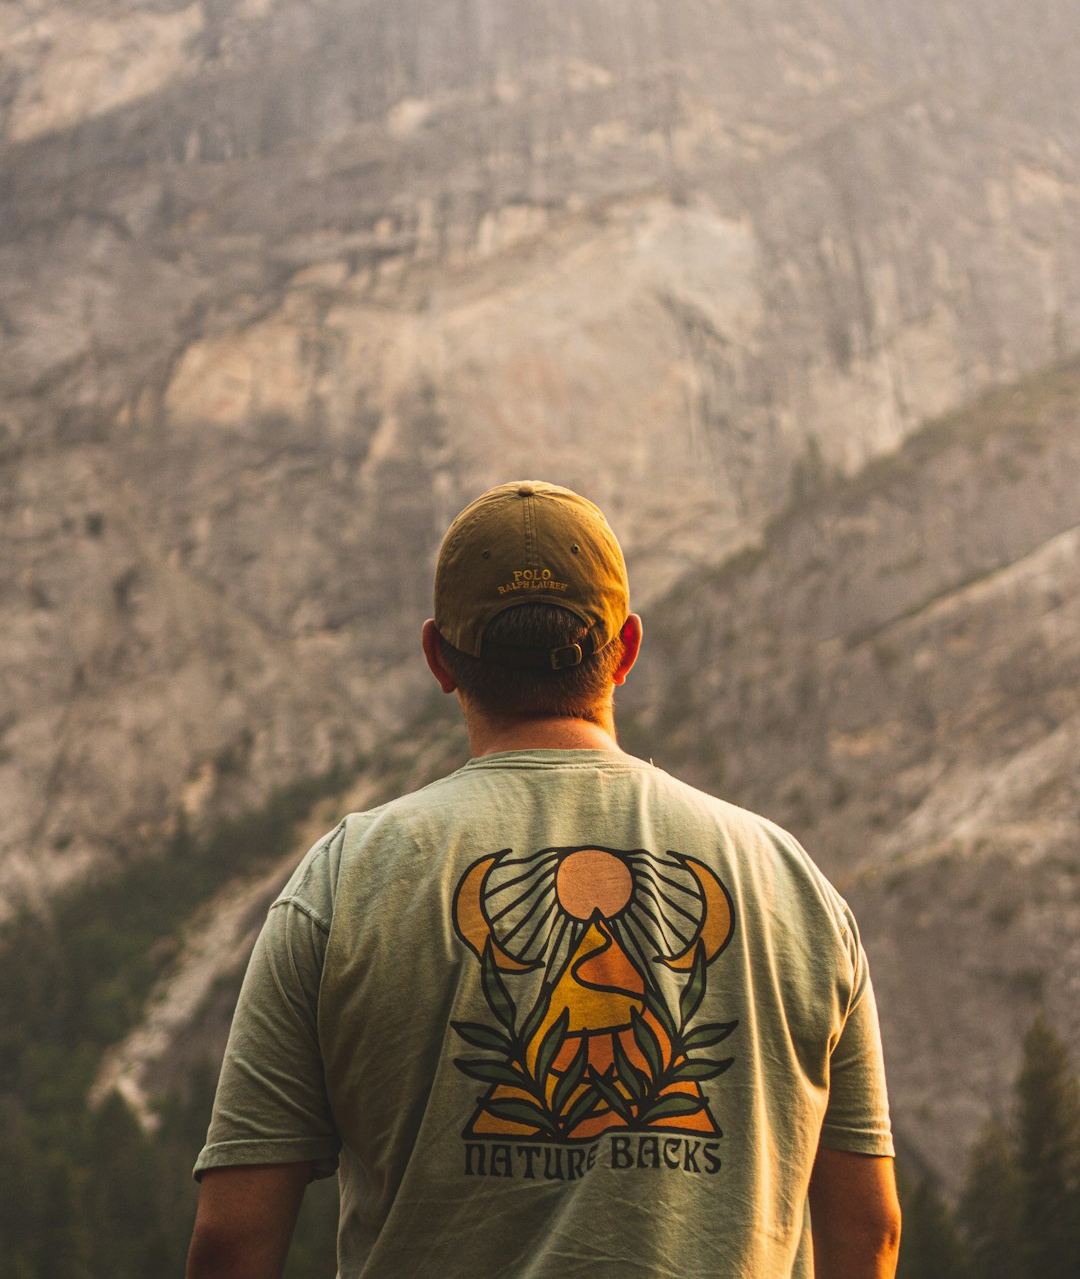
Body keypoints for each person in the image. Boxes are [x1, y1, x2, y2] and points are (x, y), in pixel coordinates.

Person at [186, 480, 901, 1279]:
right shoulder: (789, 881)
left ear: (438, 659)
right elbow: (867, 1232)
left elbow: (233, 1240)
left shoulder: (345, 878)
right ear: (625, 648)